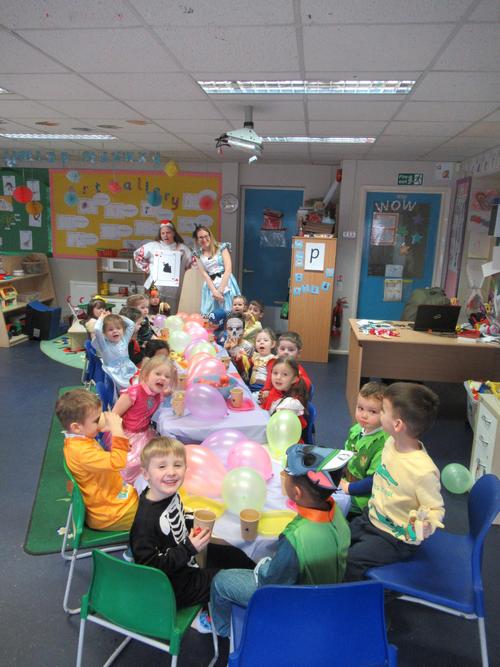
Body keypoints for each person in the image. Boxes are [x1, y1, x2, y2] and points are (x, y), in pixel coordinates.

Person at [210, 444, 353, 637]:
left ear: (297, 493)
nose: (283, 477)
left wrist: (262, 566)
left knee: (220, 581)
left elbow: (272, 581)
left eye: (286, 475)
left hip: (298, 604)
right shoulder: (338, 515)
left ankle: (223, 630)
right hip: (329, 592)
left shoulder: (295, 537)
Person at [130, 437, 256, 615]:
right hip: (174, 587)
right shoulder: (145, 522)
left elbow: (178, 519)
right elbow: (150, 569)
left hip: (185, 560)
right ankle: (210, 618)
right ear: (146, 473)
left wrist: (191, 521)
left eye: (177, 465)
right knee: (226, 581)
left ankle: (257, 577)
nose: (171, 472)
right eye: (162, 466)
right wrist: (188, 548)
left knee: (237, 555)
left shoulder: (168, 494)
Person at [344, 382, 445, 582]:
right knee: (338, 538)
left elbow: (436, 509)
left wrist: (427, 524)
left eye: (382, 410)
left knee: (353, 560)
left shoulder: (423, 471)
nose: (378, 414)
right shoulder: (390, 442)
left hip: (394, 537)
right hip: (372, 517)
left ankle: (356, 595)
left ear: (397, 425)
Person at [55, 389, 138, 531]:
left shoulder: (80, 439)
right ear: (76, 427)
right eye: (96, 420)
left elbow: (104, 458)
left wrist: (121, 444)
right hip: (112, 513)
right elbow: (118, 463)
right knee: (159, 516)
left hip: (114, 497)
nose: (100, 422)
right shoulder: (81, 452)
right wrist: (117, 431)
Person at [112, 356, 177, 485]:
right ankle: (127, 487)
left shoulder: (158, 393)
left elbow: (171, 389)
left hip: (144, 432)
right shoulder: (133, 393)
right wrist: (121, 438)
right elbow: (113, 416)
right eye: (158, 374)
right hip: (125, 434)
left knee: (159, 458)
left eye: (167, 376)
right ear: (146, 375)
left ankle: (145, 485)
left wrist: (174, 376)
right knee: (132, 463)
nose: (163, 378)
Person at [338, 381, 389, 517]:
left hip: (363, 498)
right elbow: (347, 456)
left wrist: (349, 488)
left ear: (386, 413)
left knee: (327, 504)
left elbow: (374, 480)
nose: (364, 415)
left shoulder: (383, 444)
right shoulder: (356, 429)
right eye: (360, 408)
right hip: (347, 482)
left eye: (372, 411)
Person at [134, 220, 192, 314]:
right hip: (156, 289)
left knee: (170, 315)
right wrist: (149, 269)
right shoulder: (153, 246)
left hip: (174, 291)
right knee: (153, 315)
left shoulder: (183, 249)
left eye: (168, 232)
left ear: (173, 233)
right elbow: (137, 255)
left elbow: (191, 266)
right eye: (163, 233)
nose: (165, 235)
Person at [192, 225, 241, 316]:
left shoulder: (222, 247)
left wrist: (220, 291)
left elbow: (228, 269)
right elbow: (204, 274)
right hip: (211, 286)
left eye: (206, 236)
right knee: (211, 315)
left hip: (226, 282)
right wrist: (215, 292)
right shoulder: (197, 254)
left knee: (229, 311)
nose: (204, 239)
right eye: (201, 237)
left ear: (210, 236)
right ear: (197, 240)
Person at [260, 356, 309, 434]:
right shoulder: (275, 390)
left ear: (294, 379)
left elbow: (282, 431)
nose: (278, 377)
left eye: (285, 374)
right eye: (275, 373)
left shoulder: (291, 404)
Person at [260, 331, 312, 404]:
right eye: (282, 349)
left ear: (298, 353)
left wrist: (296, 380)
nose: (286, 352)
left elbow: (307, 385)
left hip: (289, 401)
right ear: (277, 350)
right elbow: (269, 378)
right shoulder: (274, 364)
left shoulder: (298, 370)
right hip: (273, 396)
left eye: (291, 350)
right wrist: (266, 389)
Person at [93, 312, 137, 390]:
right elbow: (97, 329)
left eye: (118, 328)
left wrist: (117, 316)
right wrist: (101, 318)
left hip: (129, 369)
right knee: (128, 390)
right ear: (104, 333)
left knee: (139, 384)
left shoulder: (124, 339)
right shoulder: (104, 345)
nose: (115, 331)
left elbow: (132, 324)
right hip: (115, 374)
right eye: (110, 329)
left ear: (123, 330)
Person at [224, 313, 253, 382]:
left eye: (238, 329)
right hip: (227, 375)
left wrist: (235, 348)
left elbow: (243, 371)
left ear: (244, 331)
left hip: (241, 380)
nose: (234, 332)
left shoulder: (248, 347)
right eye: (230, 329)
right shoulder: (227, 341)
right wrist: (224, 350)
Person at [248, 328, 277, 392]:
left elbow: (271, 376)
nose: (261, 342)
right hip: (251, 386)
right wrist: (242, 357)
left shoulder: (272, 359)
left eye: (265, 340)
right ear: (255, 345)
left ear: (272, 344)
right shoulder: (255, 356)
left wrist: (266, 389)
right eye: (258, 341)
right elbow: (246, 365)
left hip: (263, 388)